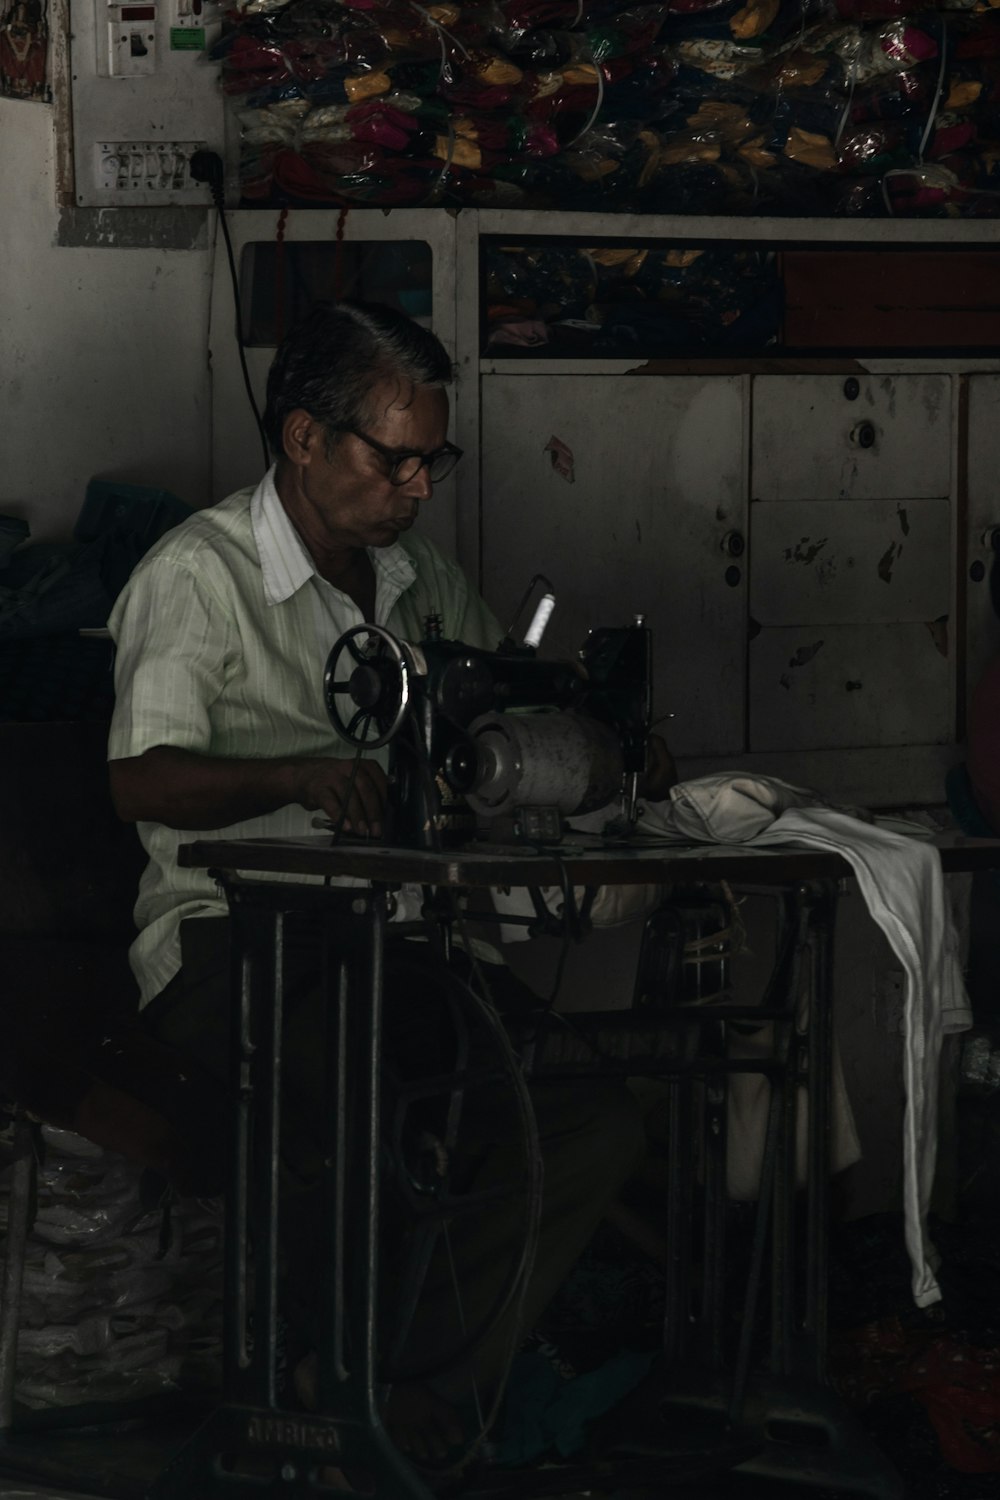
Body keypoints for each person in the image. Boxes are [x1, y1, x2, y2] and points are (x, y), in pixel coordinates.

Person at [107, 301, 664, 1470]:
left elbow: (500, 723)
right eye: (393, 458)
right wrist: (304, 772)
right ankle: (333, 1390)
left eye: (433, 461)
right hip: (233, 946)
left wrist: (581, 750)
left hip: (399, 946)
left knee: (587, 1118)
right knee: (380, 1103)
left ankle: (409, 1387)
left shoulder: (420, 585)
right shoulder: (199, 576)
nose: (417, 487)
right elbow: (141, 781)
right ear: (304, 438)